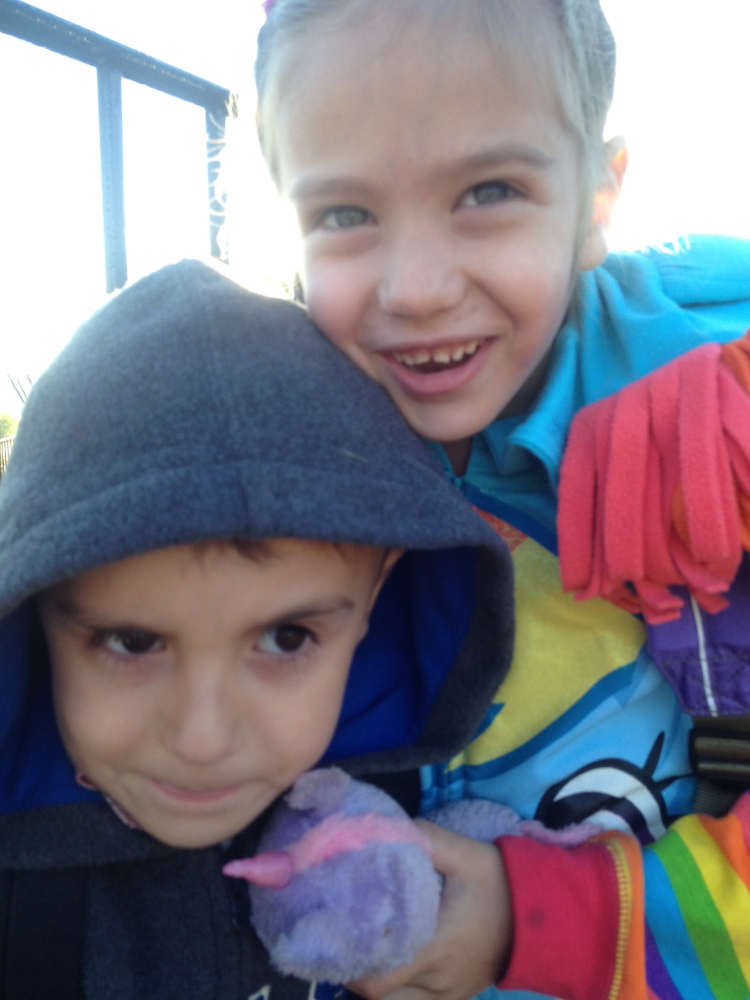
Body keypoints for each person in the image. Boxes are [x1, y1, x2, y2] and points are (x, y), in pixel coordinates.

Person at [252, 1, 750, 998]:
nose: (419, 287)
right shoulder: (273, 437)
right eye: (344, 215)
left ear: (598, 200)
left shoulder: (716, 441)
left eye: (488, 190)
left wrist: (544, 921)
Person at [0, 259, 516, 1000]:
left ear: (377, 595)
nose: (203, 741)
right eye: (134, 642)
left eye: (287, 639)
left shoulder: (420, 835)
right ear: (31, 617)